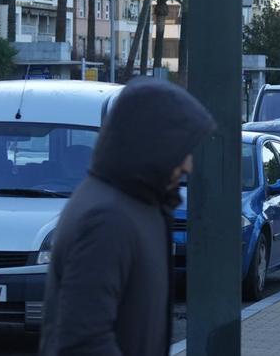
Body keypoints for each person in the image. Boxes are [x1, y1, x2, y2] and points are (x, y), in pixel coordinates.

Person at [40, 78, 215, 356]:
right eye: (181, 150)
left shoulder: (137, 204)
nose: (188, 164)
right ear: (151, 144)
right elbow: (84, 342)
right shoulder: (107, 219)